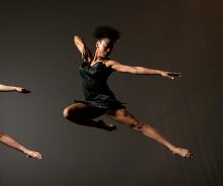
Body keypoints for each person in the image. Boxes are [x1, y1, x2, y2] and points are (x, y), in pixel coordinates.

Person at [63, 26, 192, 158]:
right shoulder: (87, 57)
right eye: (106, 46)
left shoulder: (109, 64)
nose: (108, 50)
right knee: (68, 113)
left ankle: (174, 148)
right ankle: (101, 126)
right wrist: (83, 46)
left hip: (106, 103)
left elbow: (134, 69)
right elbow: (76, 37)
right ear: (97, 44)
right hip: (91, 103)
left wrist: (160, 72)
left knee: (138, 125)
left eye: (111, 48)